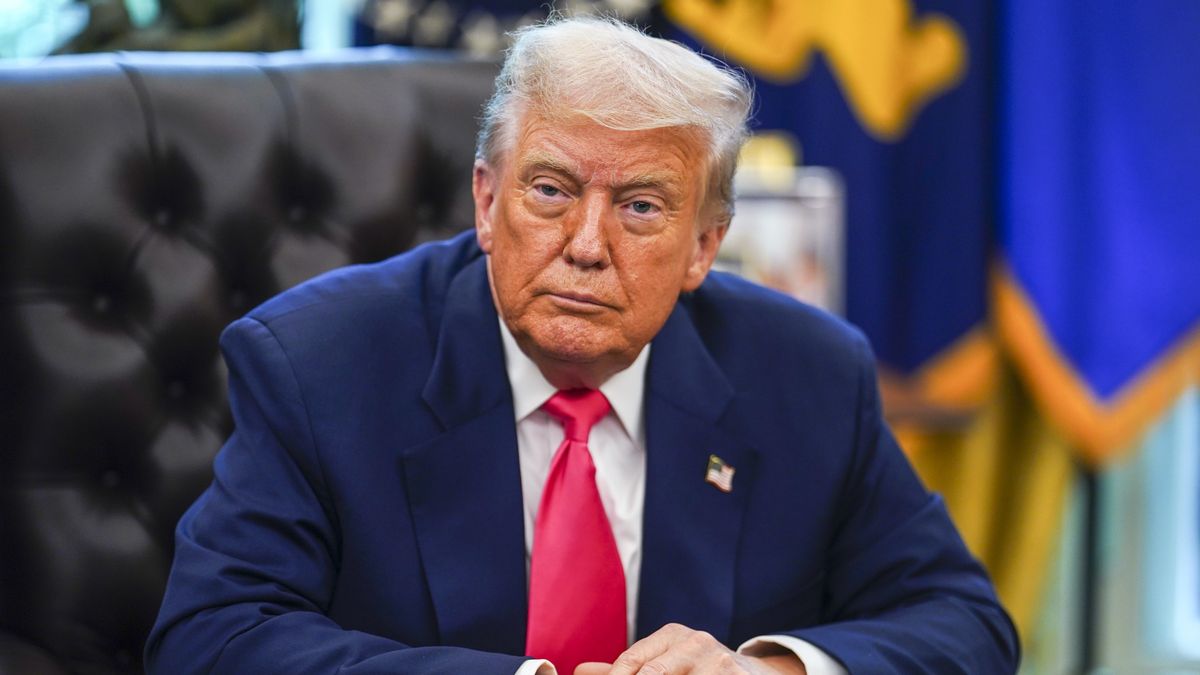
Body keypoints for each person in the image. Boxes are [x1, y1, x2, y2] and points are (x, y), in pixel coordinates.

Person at [146, 16, 1019, 675]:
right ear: (487, 203)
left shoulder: (808, 373)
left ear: (706, 246)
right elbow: (212, 633)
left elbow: (964, 621)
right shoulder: (319, 362)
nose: (588, 243)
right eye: (552, 190)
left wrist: (771, 667)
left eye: (641, 205)